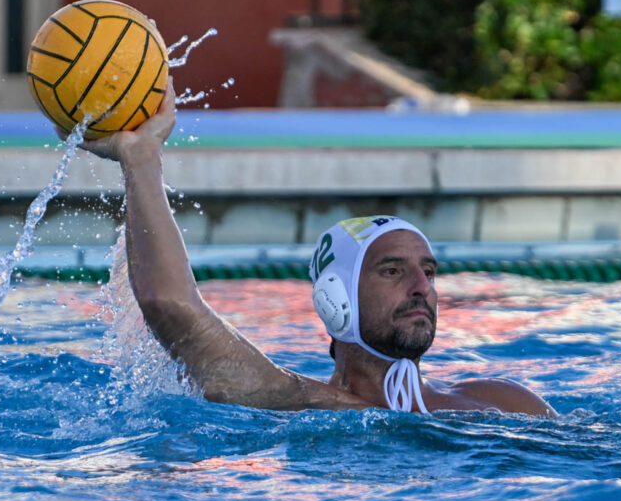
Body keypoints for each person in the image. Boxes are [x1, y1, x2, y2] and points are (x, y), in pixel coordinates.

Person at [74, 78, 556, 417]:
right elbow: (169, 303)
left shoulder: (502, 401)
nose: (420, 288)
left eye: (428, 272)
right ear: (336, 299)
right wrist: (141, 160)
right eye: (392, 271)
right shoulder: (294, 401)